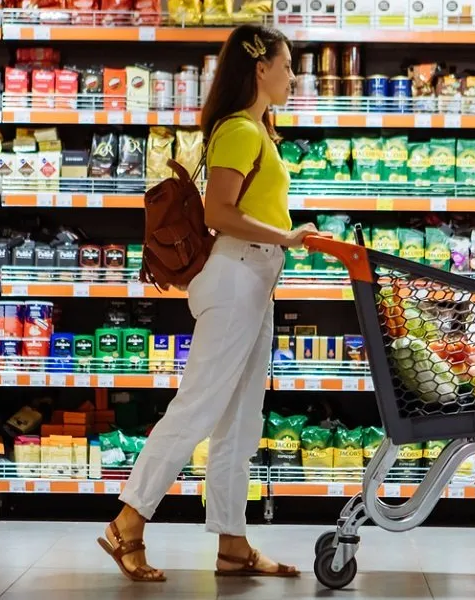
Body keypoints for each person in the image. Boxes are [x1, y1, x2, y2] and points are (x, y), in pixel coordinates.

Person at [97, 24, 316, 581]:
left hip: (253, 281)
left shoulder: (256, 130)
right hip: (237, 278)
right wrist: (284, 237)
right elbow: (219, 213)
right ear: (260, 69)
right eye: (287, 65)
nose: (293, 76)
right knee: (196, 409)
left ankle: (232, 544)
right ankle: (127, 524)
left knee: (241, 424)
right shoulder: (241, 131)